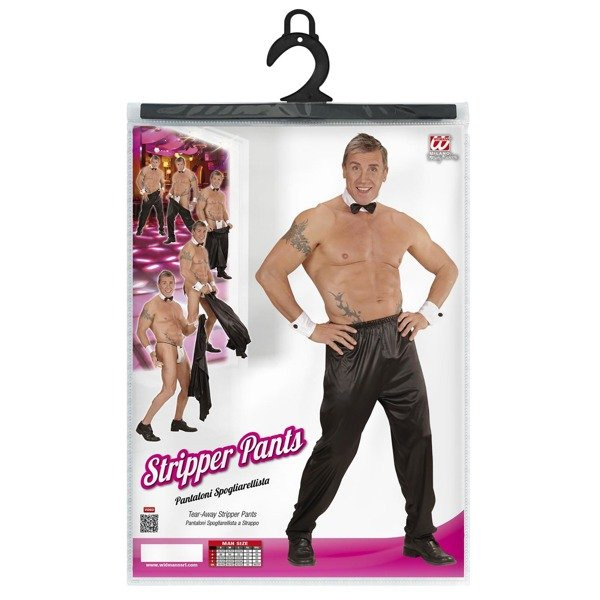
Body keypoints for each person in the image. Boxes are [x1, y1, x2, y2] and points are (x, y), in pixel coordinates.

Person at [255, 133, 459, 567]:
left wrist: (427, 313)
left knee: (418, 439)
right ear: (343, 170)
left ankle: (420, 535)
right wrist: (309, 327)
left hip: (399, 342)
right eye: (355, 167)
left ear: (385, 174)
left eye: (373, 169)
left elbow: (446, 267)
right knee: (338, 446)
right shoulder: (318, 220)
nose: (364, 178)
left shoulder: (400, 223)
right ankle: (300, 531)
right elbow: (270, 272)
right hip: (350, 345)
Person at [135, 270, 198, 441]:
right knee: (169, 389)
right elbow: (140, 331)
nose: (168, 286)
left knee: (187, 387)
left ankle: (177, 421)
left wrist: (196, 323)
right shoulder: (151, 305)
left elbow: (186, 330)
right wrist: (151, 353)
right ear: (158, 285)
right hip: (165, 347)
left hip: (180, 347)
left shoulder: (177, 306)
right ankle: (144, 424)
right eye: (164, 283)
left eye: (171, 283)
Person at [179, 221, 221, 353]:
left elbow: (207, 269)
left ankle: (205, 343)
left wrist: (212, 284)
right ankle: (176, 345)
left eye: (204, 231)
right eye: (199, 231)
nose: (202, 234)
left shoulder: (203, 250)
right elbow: (184, 271)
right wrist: (200, 286)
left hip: (204, 286)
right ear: (193, 232)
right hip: (192, 287)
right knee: (192, 318)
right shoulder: (188, 248)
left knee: (213, 315)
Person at [197, 170, 233, 279]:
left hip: (222, 225)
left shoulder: (222, 195)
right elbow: (199, 209)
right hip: (210, 225)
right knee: (210, 250)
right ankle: (204, 272)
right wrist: (205, 224)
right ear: (211, 179)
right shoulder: (205, 192)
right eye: (215, 179)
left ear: (221, 180)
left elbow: (224, 210)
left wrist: (228, 222)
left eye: (219, 179)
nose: (217, 181)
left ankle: (221, 271)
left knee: (223, 248)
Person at [164, 156, 198, 244]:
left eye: (181, 164)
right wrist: (169, 194)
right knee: (169, 217)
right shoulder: (175, 175)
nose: (179, 166)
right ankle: (171, 237)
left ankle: (199, 236)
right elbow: (173, 186)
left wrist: (194, 201)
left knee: (188, 221)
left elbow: (195, 188)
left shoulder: (190, 174)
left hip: (184, 199)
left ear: (184, 164)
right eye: (178, 164)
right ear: (176, 165)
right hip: (174, 199)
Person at [135, 154, 165, 236]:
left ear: (159, 163)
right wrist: (143, 192)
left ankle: (161, 230)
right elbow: (138, 181)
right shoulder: (145, 170)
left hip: (157, 194)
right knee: (144, 214)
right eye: (153, 162)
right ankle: (139, 229)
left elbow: (162, 182)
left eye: (156, 162)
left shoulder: (161, 172)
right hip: (148, 195)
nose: (155, 164)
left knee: (160, 213)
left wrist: (162, 189)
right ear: (151, 162)